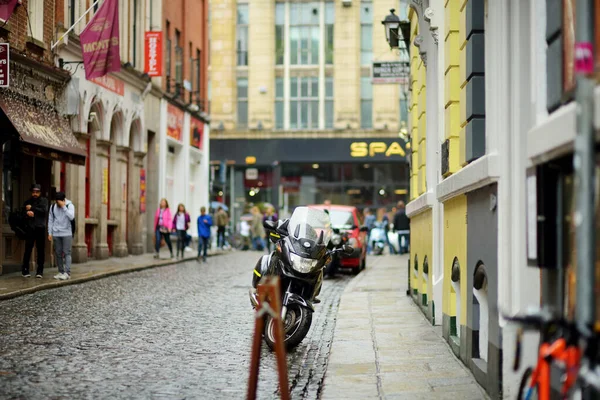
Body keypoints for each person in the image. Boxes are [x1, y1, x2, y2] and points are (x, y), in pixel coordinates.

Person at [22, 184, 48, 278]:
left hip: (40, 228)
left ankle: (39, 271)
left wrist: (32, 209)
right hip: (30, 228)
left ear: (40, 192)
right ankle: (25, 270)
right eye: (33, 192)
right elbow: (22, 213)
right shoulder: (27, 202)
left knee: (40, 250)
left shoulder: (44, 201)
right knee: (28, 249)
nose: (35, 194)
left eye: (37, 192)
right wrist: (27, 213)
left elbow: (44, 211)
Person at [48, 192, 75, 280]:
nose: (58, 204)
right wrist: (50, 232)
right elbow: (50, 220)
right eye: (57, 202)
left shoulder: (69, 206)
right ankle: (61, 271)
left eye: (59, 202)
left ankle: (67, 273)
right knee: (58, 253)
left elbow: (71, 217)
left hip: (67, 233)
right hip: (56, 233)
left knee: (67, 253)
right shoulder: (53, 207)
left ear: (64, 200)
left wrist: (63, 207)